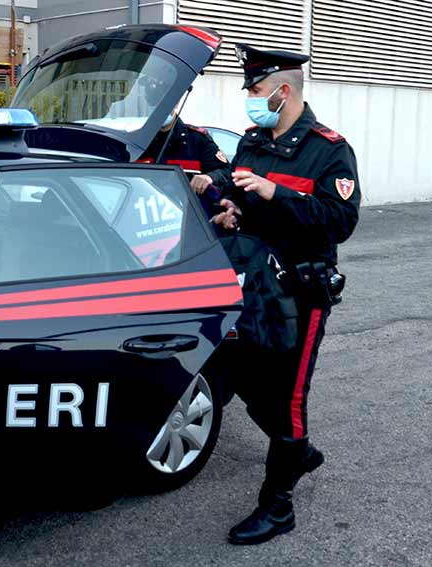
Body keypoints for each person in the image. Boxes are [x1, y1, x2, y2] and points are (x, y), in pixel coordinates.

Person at [213, 43, 361, 545]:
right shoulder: (253, 140)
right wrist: (229, 209)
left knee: (289, 393)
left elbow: (341, 221)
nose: (250, 100)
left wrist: (279, 193)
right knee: (241, 375)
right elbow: (239, 194)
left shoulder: (329, 148)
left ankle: (277, 506)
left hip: (302, 288)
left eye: (255, 90)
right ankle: (296, 450)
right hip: (254, 284)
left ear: (282, 91)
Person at [144, 112, 231, 218]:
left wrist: (209, 177)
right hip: (149, 218)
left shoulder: (196, 139)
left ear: (177, 102)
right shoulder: (141, 141)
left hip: (192, 219)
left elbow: (226, 171)